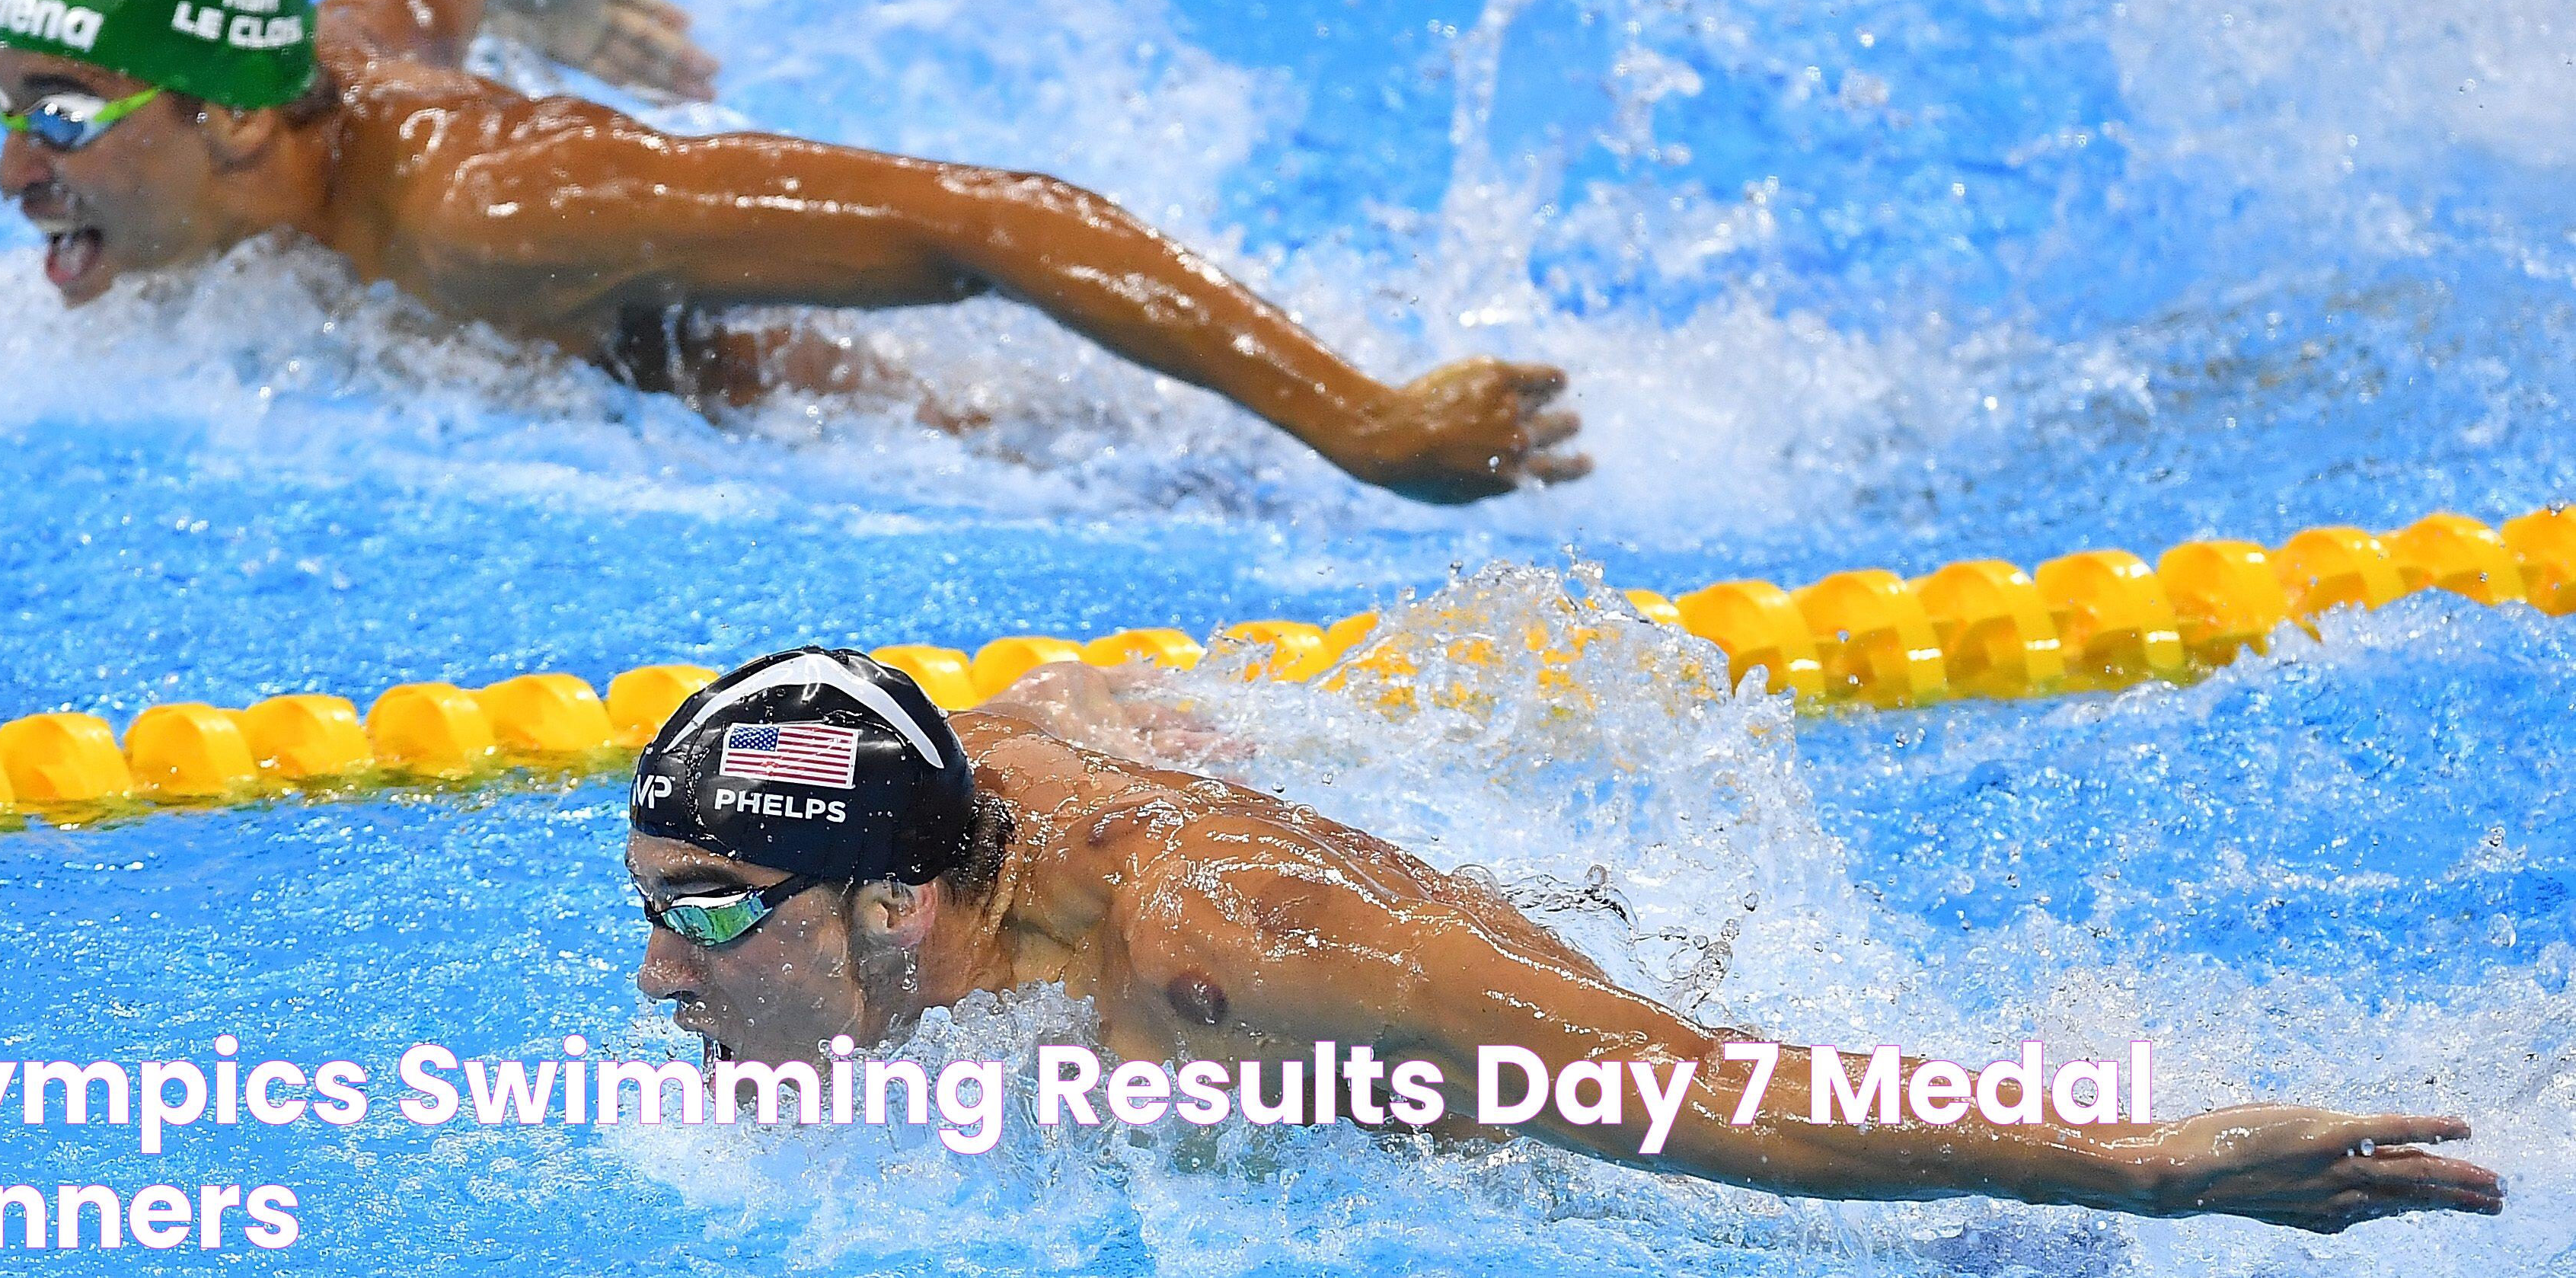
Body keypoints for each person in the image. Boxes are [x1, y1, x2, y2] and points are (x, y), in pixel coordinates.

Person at [627, 647, 2506, 1235]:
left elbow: (1708, 1096)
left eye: (704, 913)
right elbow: (1044, 706)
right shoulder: (957, 795)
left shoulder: (1215, 951)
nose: (658, 977)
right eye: (650, 907)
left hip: (1681, 1176)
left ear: (892, 898)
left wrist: (2144, 1166)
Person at [0, 0, 1586, 503]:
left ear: (230, 121)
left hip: (880, 429)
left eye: (56, 117)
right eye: (2, 114)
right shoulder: (306, 77)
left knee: (1163, 478)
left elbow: (1002, 216)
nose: (11, 173)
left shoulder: (501, 205)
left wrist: (1364, 421)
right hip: (621, 381)